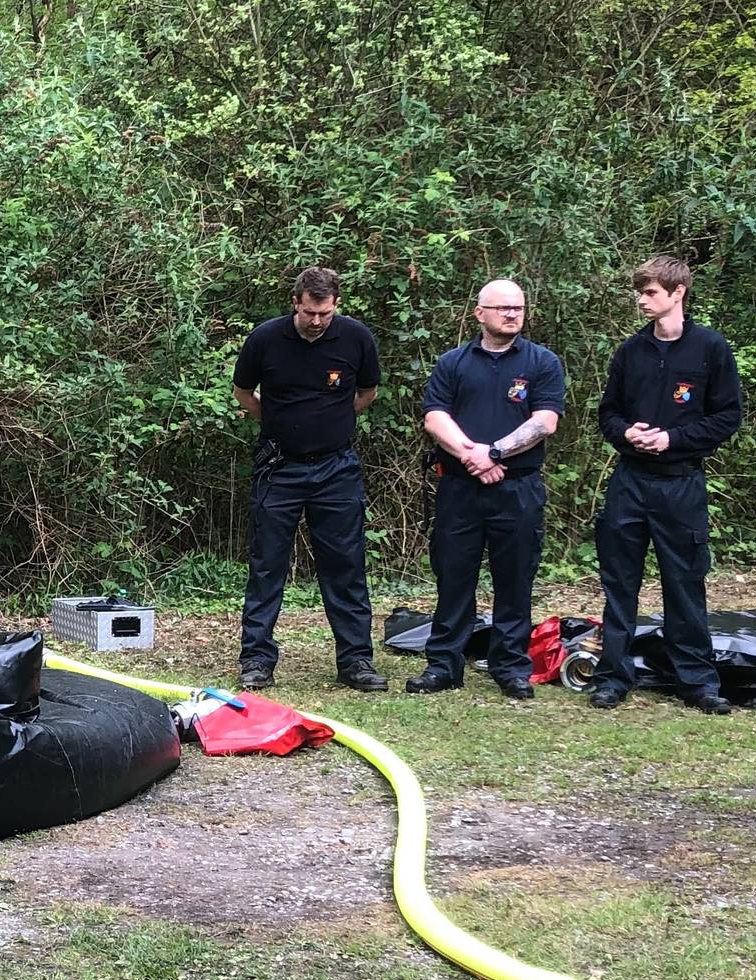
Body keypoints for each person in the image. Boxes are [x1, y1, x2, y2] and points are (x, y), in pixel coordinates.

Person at [590, 254, 742, 714]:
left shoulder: (710, 349)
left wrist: (673, 438)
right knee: (620, 582)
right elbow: (607, 414)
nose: (641, 299)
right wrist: (627, 433)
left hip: (680, 483)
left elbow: (727, 417)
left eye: (651, 291)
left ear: (678, 294)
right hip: (630, 483)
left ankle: (696, 681)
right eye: (640, 291)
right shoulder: (631, 351)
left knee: (684, 582)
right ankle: (614, 677)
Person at [229, 265, 386, 692]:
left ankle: (355, 661)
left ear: (336, 306)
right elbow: (243, 392)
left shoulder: (356, 338)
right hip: (279, 466)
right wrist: (278, 421)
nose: (317, 322)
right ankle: (257, 659)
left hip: (337, 468)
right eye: (310, 313)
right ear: (296, 302)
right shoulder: (265, 339)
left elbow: (367, 393)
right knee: (268, 564)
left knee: (345, 564)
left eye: (325, 314)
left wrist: (331, 422)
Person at [407, 279, 563, 700]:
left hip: (518, 489)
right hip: (459, 489)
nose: (511, 314)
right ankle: (444, 665)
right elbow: (434, 418)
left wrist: (494, 453)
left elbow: (545, 421)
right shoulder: (454, 363)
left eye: (518, 307)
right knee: (453, 577)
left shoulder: (542, 362)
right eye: (502, 308)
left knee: (515, 579)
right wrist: (473, 457)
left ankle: (510, 666)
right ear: (480, 314)